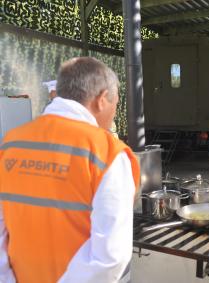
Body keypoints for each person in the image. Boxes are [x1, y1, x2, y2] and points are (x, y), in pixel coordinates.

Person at [0, 57, 140, 283]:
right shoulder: (107, 152)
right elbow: (110, 256)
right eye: (116, 103)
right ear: (102, 99)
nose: (114, 113)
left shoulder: (11, 143)